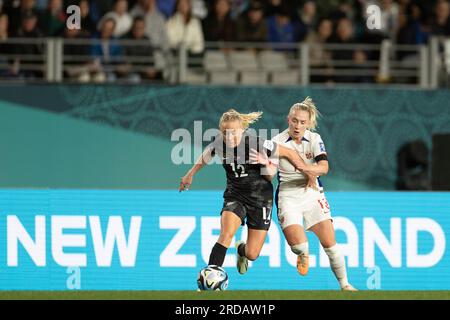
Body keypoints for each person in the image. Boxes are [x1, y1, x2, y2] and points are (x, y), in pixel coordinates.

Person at [179, 109, 306, 275]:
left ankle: (241, 251)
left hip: (260, 198)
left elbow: (271, 173)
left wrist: (265, 164)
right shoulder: (219, 143)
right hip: (235, 195)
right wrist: (190, 174)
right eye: (225, 133)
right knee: (226, 233)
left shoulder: (256, 143)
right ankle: (210, 277)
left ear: (242, 130)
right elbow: (207, 154)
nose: (230, 137)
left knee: (252, 254)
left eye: (234, 133)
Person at [251, 97, 357, 291]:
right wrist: (265, 165)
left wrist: (309, 170)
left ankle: (345, 285)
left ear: (308, 123)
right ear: (288, 119)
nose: (297, 125)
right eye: (294, 120)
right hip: (288, 195)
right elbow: (270, 176)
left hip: (312, 193)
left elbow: (324, 167)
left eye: (302, 122)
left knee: (331, 245)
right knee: (300, 246)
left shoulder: (314, 139)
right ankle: (302, 254)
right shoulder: (277, 141)